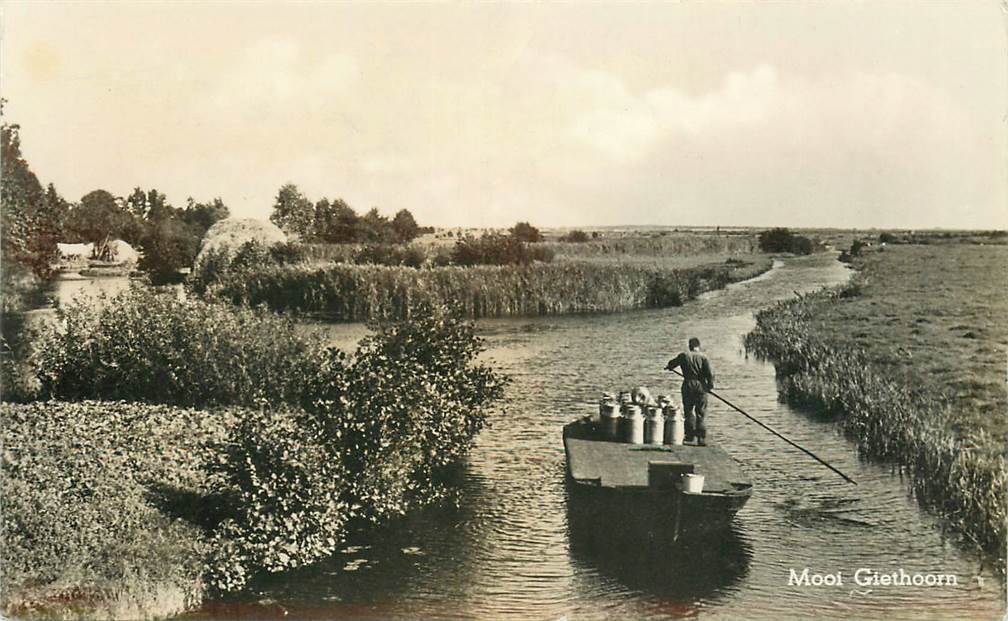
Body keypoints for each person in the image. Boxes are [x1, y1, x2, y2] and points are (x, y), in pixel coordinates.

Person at [665, 337, 715, 445]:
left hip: (688, 385)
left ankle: (690, 436)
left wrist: (669, 366)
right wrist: (709, 386)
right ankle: (701, 438)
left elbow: (672, 363)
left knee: (688, 411)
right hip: (701, 386)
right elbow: (710, 374)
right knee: (700, 412)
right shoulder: (704, 358)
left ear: (689, 346)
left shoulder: (684, 356)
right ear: (698, 346)